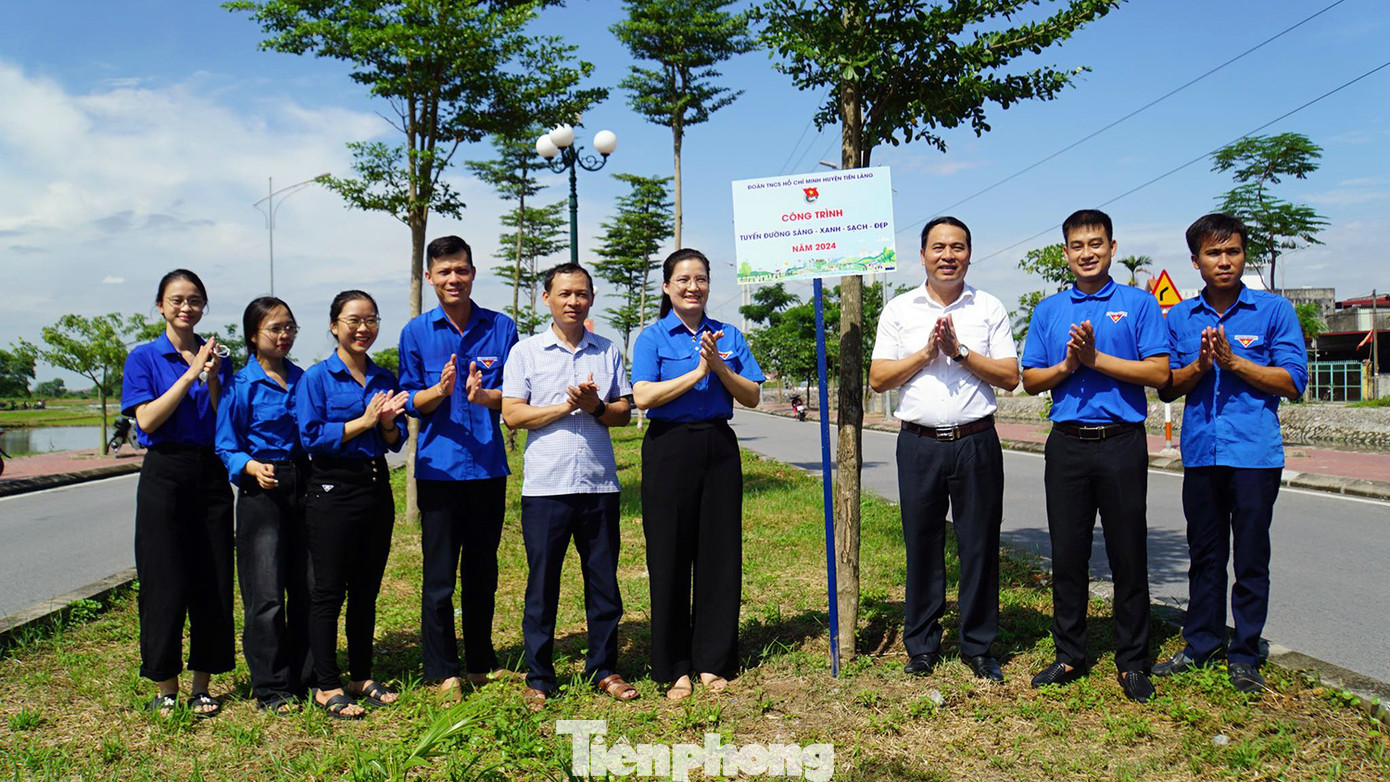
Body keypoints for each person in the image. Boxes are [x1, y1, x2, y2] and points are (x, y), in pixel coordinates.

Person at [1020, 209, 1170, 704]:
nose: (1087, 253)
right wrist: (1068, 364)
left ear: (1112, 248)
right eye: (1078, 245)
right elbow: (1031, 379)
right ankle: (1070, 654)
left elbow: (1159, 373)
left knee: (1128, 552)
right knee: (1068, 553)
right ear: (1065, 252)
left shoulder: (1139, 304)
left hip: (1122, 442)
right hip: (1067, 444)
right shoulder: (1048, 310)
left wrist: (1096, 359)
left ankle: (1132, 660)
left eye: (1096, 243)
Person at [1154, 213, 1308, 693]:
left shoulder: (1273, 311)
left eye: (1233, 252)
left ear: (1244, 255)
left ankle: (1244, 653)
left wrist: (1235, 363)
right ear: (1195, 261)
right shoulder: (1180, 317)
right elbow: (1167, 387)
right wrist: (1201, 366)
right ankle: (1200, 643)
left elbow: (1293, 381)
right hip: (1202, 454)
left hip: (1255, 455)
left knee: (1251, 557)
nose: (1224, 261)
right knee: (1205, 554)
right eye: (1213, 253)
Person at [869, 216, 1019, 683]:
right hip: (919, 444)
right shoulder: (899, 309)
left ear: (969, 254)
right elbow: (878, 378)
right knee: (922, 544)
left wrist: (959, 352)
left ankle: (978, 646)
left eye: (957, 247)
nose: (947, 256)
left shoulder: (989, 307)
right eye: (938, 247)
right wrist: (925, 353)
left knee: (979, 545)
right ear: (922, 255)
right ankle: (922, 645)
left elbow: (1010, 377)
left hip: (976, 441)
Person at [501, 262, 638, 711]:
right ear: (547, 299)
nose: (573, 302)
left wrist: (596, 406)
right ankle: (540, 676)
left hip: (599, 485)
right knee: (542, 585)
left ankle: (603, 668)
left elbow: (624, 414)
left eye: (581, 294)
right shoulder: (525, 352)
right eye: (564, 294)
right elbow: (513, 414)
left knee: (604, 583)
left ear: (592, 299)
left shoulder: (607, 350)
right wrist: (566, 406)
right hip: (546, 488)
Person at [631, 248, 765, 700]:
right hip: (668, 448)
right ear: (667, 287)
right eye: (684, 280)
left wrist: (720, 366)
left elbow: (752, 396)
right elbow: (643, 396)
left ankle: (713, 660)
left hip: (718, 446)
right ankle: (674, 666)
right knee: (668, 553)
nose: (693, 287)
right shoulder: (652, 337)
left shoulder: (729, 334)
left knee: (719, 553)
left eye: (701, 279)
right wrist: (698, 372)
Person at [398, 236, 517, 700]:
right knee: (440, 576)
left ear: (473, 273)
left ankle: (481, 661)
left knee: (483, 571)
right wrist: (439, 391)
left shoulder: (501, 327)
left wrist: (483, 396)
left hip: (487, 468)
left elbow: (517, 393)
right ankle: (442, 668)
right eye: (444, 272)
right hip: (439, 471)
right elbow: (408, 399)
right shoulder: (416, 332)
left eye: (461, 270)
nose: (454, 279)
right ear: (429, 277)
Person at [121, 269, 235, 718]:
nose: (186, 307)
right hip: (164, 472)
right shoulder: (144, 357)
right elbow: (147, 420)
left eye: (195, 300)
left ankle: (202, 685)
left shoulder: (218, 356)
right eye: (177, 300)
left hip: (210, 472)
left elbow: (223, 420)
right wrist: (190, 374)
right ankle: (165, 686)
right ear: (161, 306)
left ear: (204, 305)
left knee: (213, 577)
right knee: (163, 579)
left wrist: (212, 378)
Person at [296, 290, 409, 720]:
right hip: (332, 490)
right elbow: (310, 436)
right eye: (354, 320)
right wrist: (364, 421)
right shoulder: (317, 378)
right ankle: (327, 685)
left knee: (366, 590)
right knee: (328, 591)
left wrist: (386, 425)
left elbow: (395, 441)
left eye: (371, 320)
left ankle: (362, 675)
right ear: (334, 325)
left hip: (375, 487)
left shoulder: (383, 376)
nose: (364, 328)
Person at [214, 296, 312, 713]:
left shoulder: (305, 379)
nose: (284, 335)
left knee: (307, 587)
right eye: (275, 328)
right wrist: (251, 466)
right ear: (253, 336)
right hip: (261, 489)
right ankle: (271, 686)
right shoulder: (240, 385)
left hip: (304, 482)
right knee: (266, 591)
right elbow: (225, 445)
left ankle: (308, 675)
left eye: (290, 327)